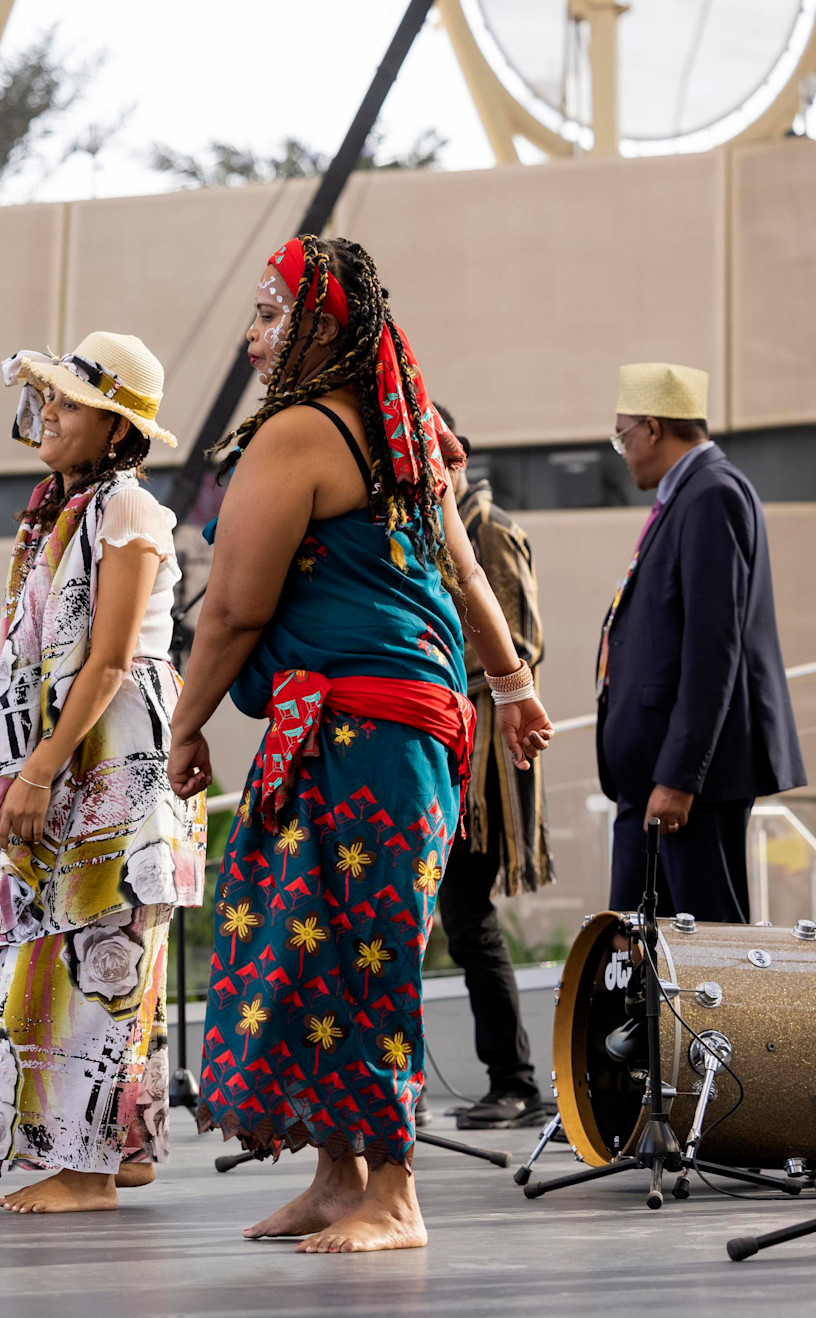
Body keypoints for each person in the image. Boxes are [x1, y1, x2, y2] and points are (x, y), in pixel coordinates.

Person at [171, 236, 554, 1254]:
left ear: (322, 327)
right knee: (314, 945)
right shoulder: (401, 428)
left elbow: (232, 611)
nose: (253, 339)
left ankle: (394, 1192)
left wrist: (184, 723)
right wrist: (513, 686)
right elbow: (462, 575)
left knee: (356, 955)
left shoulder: (298, 432)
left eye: (270, 315)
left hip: (364, 732)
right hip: (390, 730)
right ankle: (336, 1176)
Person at [0, 333, 207, 1214]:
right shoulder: (66, 510)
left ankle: (87, 1173)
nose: (48, 412)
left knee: (102, 959)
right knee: (83, 953)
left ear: (117, 428)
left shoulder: (126, 508)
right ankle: (124, 1149)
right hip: (82, 751)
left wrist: (39, 770)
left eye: (69, 402)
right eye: (49, 397)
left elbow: (111, 659)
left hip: (114, 754)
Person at [598, 363, 804, 922]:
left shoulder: (713, 494)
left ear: (653, 428)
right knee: (638, 948)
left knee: (706, 945)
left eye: (622, 438)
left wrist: (679, 776)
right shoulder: (689, 495)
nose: (624, 453)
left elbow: (714, 650)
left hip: (689, 786)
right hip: (654, 776)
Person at [438, 422, 554, 1131]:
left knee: (467, 917)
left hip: (483, 761)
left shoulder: (490, 529)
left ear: (454, 460)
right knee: (462, 920)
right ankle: (510, 1080)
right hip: (457, 749)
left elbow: (524, 644)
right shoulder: (451, 526)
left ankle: (514, 1083)